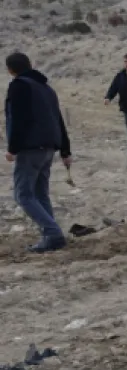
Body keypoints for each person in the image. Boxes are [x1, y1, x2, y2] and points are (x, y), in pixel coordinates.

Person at [4, 52, 72, 253]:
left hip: (31, 148)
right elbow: (58, 120)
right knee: (41, 193)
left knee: (23, 195)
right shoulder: (46, 88)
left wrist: (12, 148)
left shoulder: (19, 86)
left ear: (10, 70)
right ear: (30, 64)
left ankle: (52, 233)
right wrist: (66, 150)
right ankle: (50, 235)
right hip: (50, 147)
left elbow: (18, 119)